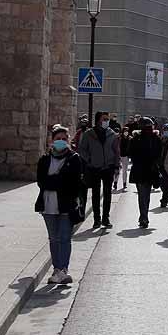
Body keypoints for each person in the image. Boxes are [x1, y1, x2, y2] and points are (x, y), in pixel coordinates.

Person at [35, 125, 84, 285]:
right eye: (58, 139)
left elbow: (74, 183)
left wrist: (54, 181)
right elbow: (42, 182)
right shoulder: (44, 160)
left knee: (64, 238)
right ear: (52, 141)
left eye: (64, 139)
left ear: (69, 140)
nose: (61, 142)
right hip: (48, 205)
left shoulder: (74, 159)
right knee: (53, 238)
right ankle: (56, 269)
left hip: (66, 204)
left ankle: (63, 269)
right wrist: (59, 180)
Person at [78, 111, 119, 229]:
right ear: (98, 120)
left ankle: (106, 218)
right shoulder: (88, 134)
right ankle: (97, 219)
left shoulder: (112, 134)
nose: (107, 121)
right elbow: (82, 150)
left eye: (107, 119)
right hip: (94, 168)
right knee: (95, 194)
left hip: (108, 167)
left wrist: (116, 165)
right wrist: (89, 160)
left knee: (107, 193)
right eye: (104, 119)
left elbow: (116, 151)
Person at [128, 117, 163, 228]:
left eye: (150, 127)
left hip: (150, 170)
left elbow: (159, 154)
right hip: (139, 170)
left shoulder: (156, 139)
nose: (149, 129)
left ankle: (144, 216)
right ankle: (143, 217)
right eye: (147, 127)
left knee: (145, 195)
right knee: (142, 195)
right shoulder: (135, 139)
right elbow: (130, 153)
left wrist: (156, 165)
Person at [158, 124, 168, 208]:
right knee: (161, 183)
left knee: (167, 183)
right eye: (165, 130)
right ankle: (166, 196)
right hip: (160, 164)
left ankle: (164, 200)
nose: (166, 131)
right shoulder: (160, 140)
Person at [117, 126, 131, 191]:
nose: (126, 132)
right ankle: (115, 182)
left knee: (124, 171)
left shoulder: (130, 139)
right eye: (125, 131)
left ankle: (124, 183)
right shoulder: (119, 138)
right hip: (119, 156)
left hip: (126, 156)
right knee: (117, 170)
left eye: (127, 131)